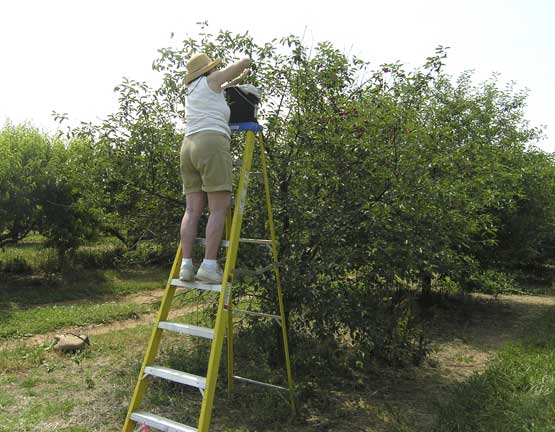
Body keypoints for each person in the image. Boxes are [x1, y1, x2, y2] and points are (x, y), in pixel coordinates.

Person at [179, 53, 251, 283]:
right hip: (210, 142)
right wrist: (245, 60)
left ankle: (187, 265)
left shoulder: (193, 90)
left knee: (191, 210)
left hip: (188, 146)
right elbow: (239, 65)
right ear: (208, 70)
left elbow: (223, 85)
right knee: (218, 208)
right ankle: (209, 265)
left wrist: (237, 81)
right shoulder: (211, 80)